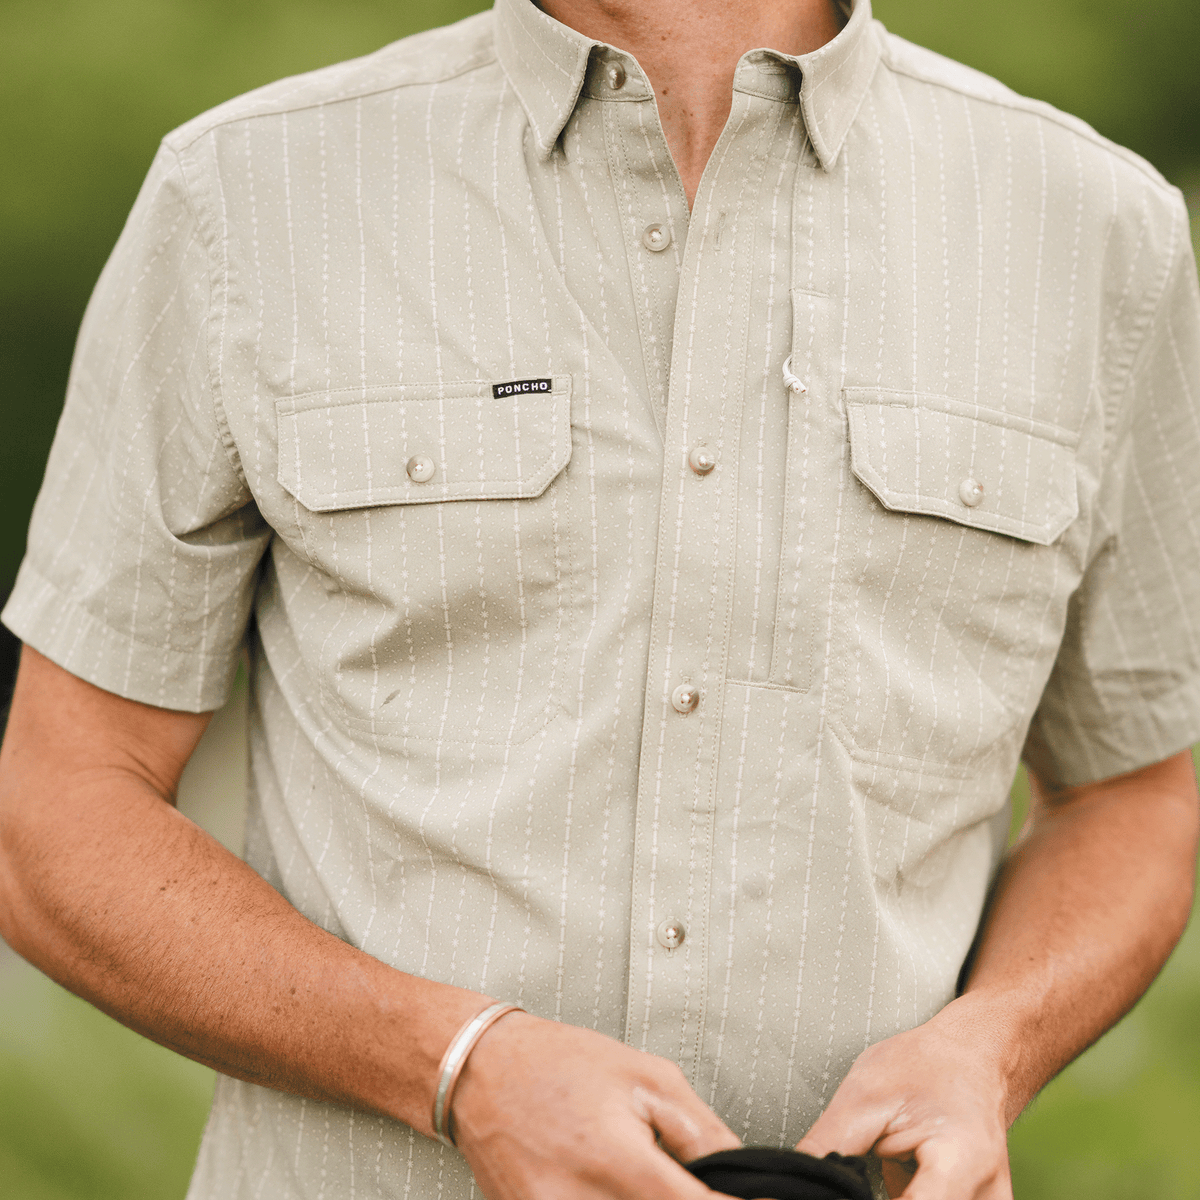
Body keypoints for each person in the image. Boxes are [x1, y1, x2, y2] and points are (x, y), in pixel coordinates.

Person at [1, 0, 1198, 1196]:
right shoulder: (247, 194)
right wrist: (457, 1065)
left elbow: (1132, 791)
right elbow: (54, 812)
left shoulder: (1100, 233)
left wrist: (991, 1050)